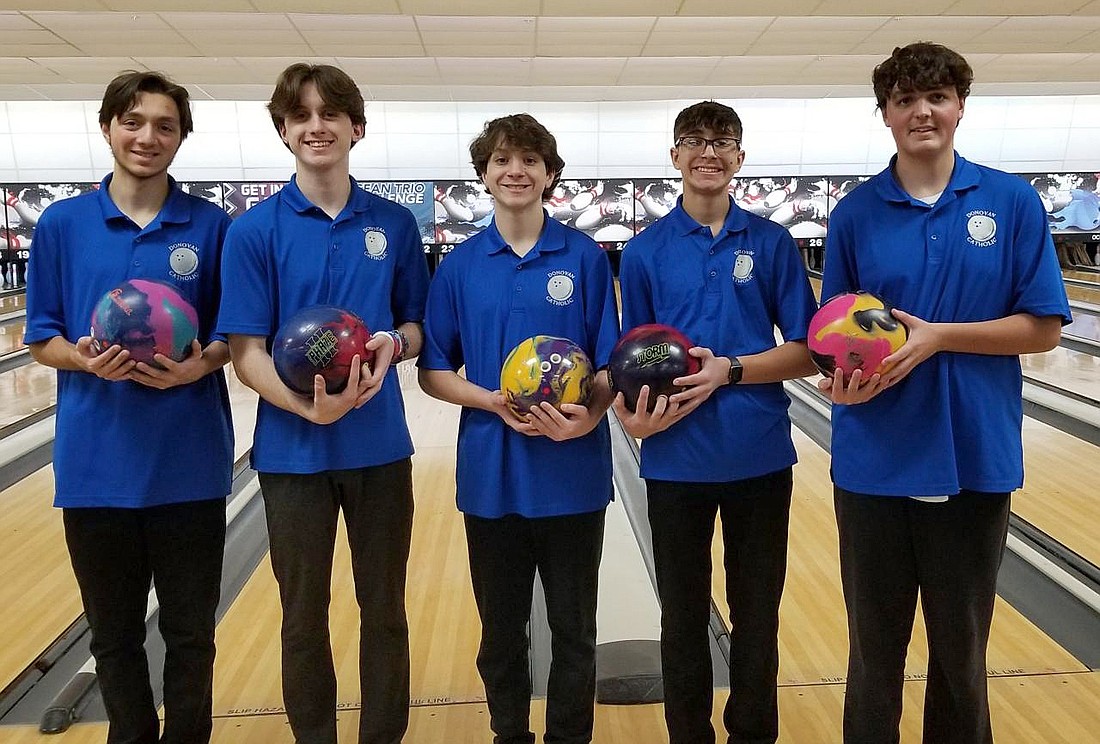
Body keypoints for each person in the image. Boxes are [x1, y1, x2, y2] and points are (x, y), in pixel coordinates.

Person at [819, 42, 1071, 744]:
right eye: (904, 100)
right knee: (875, 657)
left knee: (961, 656)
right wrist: (840, 384)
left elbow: (1045, 327)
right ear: (886, 115)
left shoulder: (1011, 201)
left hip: (975, 456)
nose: (921, 111)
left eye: (935, 97)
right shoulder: (856, 213)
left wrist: (939, 337)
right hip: (874, 460)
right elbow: (833, 337)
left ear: (960, 105)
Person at [216, 63, 430, 744]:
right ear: (284, 130)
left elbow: (419, 327)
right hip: (291, 452)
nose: (317, 126)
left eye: (330, 113)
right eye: (301, 115)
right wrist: (308, 410)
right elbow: (246, 352)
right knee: (302, 616)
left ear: (355, 127)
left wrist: (395, 342)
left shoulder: (394, 224)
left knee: (385, 612)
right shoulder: (253, 232)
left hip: (380, 447)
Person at [24, 70, 234, 744]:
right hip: (95, 465)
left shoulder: (210, 225)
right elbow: (41, 338)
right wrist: (85, 358)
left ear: (181, 137)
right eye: (134, 121)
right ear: (109, 126)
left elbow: (234, 333)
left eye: (165, 125)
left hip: (189, 462)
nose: (148, 136)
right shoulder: (61, 224)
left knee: (190, 635)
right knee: (113, 638)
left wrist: (198, 365)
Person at [613, 101, 818, 744]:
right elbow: (630, 359)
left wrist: (728, 370)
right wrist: (635, 418)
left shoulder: (773, 242)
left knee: (758, 615)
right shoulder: (644, 253)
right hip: (676, 459)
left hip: (759, 455)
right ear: (674, 155)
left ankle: (753, 732)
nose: (709, 152)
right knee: (681, 616)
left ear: (739, 156)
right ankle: (689, 735)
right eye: (695, 142)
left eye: (723, 142)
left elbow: (809, 348)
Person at [418, 113, 619, 744]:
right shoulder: (457, 266)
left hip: (573, 473)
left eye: (531, 160)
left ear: (550, 174)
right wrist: (491, 401)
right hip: (491, 474)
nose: (516, 171)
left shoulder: (584, 257)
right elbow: (432, 369)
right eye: (503, 159)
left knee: (574, 631)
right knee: (501, 633)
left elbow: (609, 364)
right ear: (483, 174)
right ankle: (510, 733)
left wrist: (587, 415)